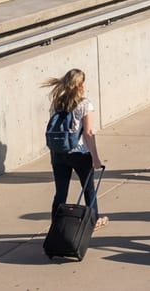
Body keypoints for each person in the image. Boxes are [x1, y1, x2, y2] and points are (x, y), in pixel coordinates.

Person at [42, 68, 107, 230]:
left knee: (60, 192)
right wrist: (95, 157)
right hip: (79, 153)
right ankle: (93, 221)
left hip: (58, 153)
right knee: (88, 189)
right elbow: (88, 132)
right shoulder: (85, 104)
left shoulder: (57, 102)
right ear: (80, 84)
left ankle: (55, 224)